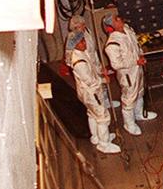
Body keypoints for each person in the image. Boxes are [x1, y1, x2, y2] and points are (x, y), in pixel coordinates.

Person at [65, 15, 120, 154]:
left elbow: (93, 60)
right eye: (81, 42)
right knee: (102, 116)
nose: (85, 43)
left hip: (88, 91)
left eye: (84, 40)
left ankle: (96, 136)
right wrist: (103, 80)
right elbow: (89, 80)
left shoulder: (81, 53)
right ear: (75, 45)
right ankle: (104, 143)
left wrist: (101, 69)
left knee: (92, 113)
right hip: (91, 91)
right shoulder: (79, 62)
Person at [101, 11, 157, 136]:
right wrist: (135, 61)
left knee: (140, 91)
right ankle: (129, 123)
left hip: (138, 69)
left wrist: (140, 54)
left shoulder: (127, 30)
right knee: (129, 97)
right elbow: (116, 64)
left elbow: (135, 44)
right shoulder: (112, 43)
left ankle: (139, 113)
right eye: (117, 19)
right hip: (127, 74)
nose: (120, 19)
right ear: (112, 25)